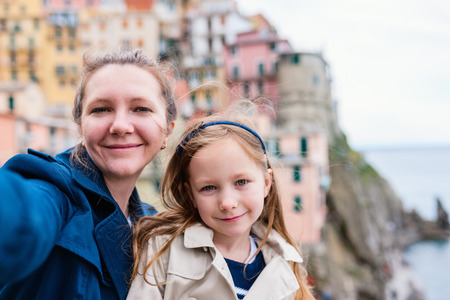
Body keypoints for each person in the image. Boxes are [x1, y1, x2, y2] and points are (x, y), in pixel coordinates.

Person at [0, 49, 177, 300]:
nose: (120, 126)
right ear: (80, 126)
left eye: (141, 109)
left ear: (167, 131)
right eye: (101, 109)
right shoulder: (55, 191)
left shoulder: (154, 225)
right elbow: (22, 215)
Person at [127, 104, 316, 300]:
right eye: (208, 188)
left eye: (241, 182)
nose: (227, 203)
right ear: (191, 195)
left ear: (266, 184)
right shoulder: (162, 249)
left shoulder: (284, 263)